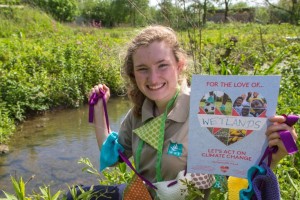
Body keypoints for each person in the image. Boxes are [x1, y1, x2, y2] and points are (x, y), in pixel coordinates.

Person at [68, 25, 298, 200]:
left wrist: (271, 155)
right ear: (133, 74)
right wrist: (99, 109)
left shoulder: (207, 109)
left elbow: (239, 172)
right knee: (74, 195)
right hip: (142, 195)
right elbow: (115, 156)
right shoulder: (138, 113)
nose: (153, 78)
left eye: (162, 65)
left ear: (179, 65)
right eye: (143, 69)